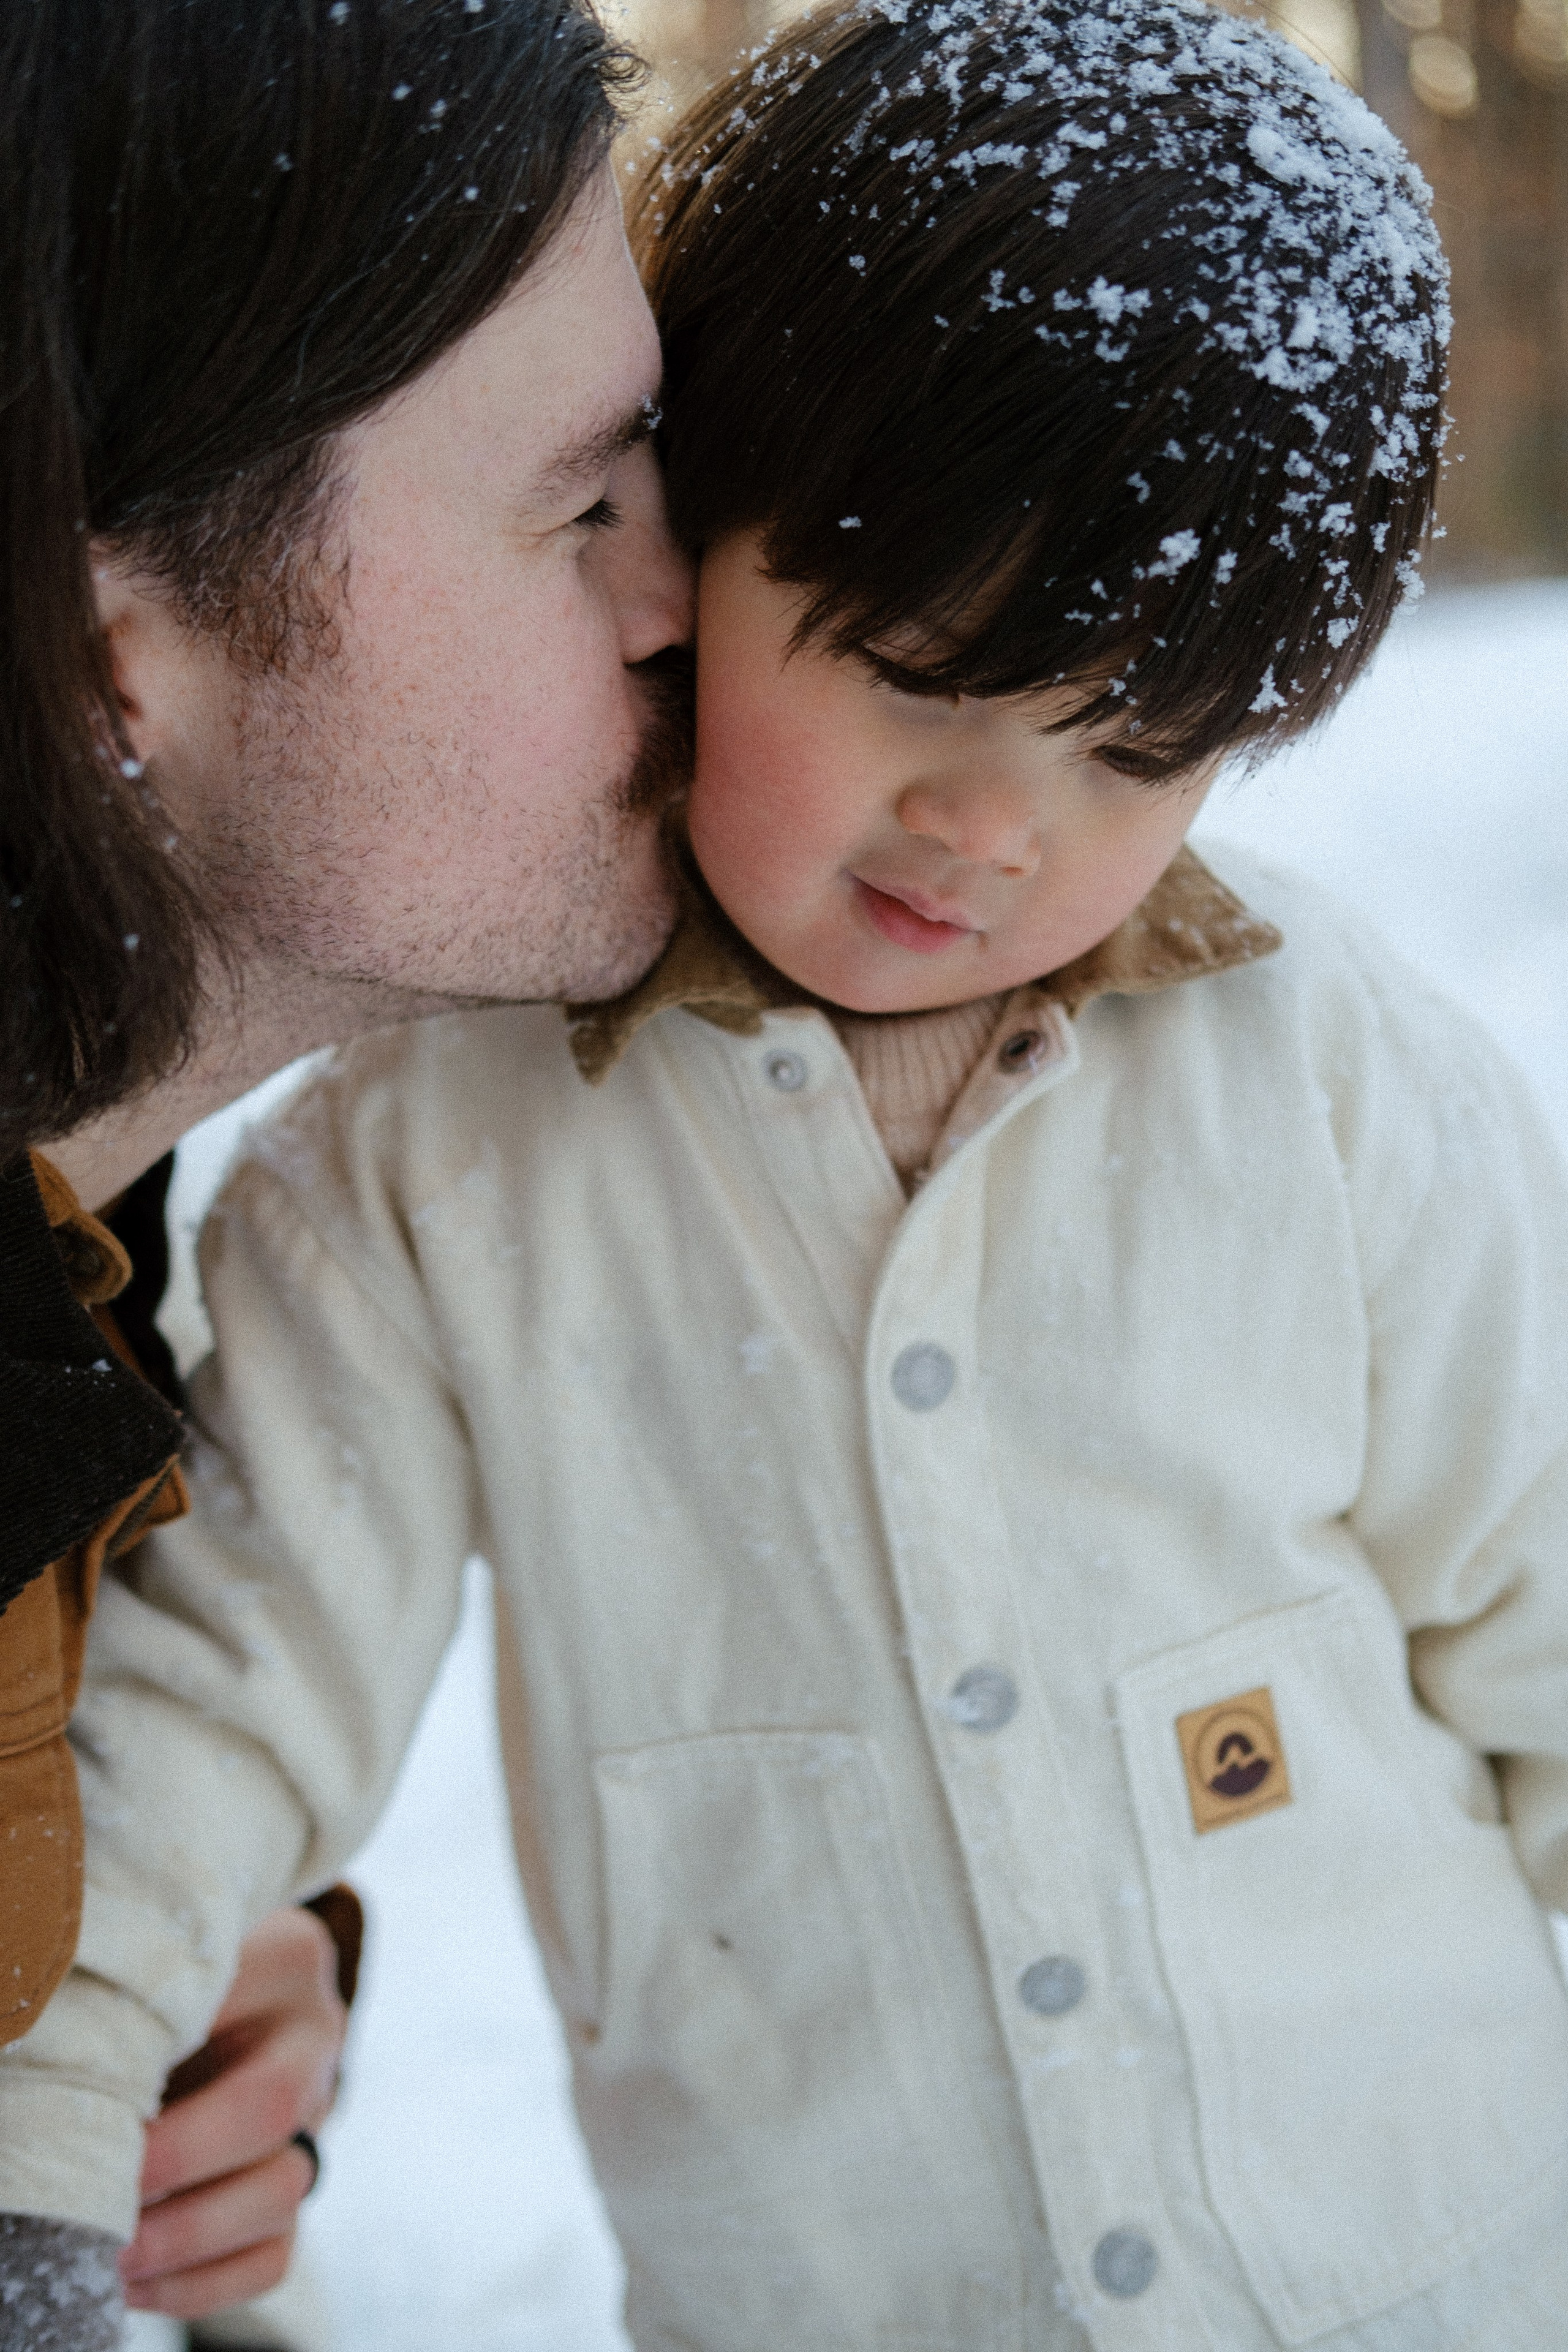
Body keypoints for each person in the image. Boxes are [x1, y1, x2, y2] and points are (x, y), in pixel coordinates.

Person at [15, 0, 1568, 2344]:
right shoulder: (437, 1160)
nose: (995, 825)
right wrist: (40, 2191)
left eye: (1135, 754)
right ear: (702, 530)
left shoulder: (1333, 1095)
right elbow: (205, 1710)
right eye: (916, 666)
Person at [0, 0, 691, 2335]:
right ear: (112, 659)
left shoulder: (82, 1285)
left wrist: (122, 1935)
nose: (687, 596)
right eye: (581, 504)